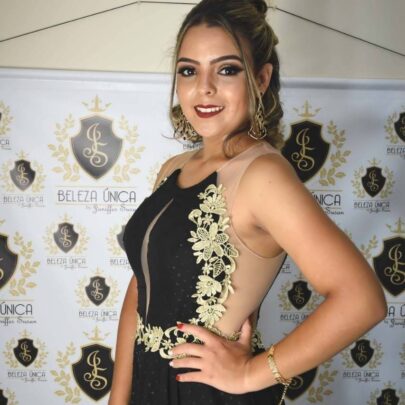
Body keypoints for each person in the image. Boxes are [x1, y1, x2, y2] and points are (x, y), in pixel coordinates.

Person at [108, 0, 387, 404]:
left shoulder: (262, 175)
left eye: (226, 69)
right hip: (148, 389)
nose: (204, 87)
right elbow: (141, 286)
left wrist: (249, 373)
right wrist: (119, 397)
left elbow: (362, 299)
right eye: (189, 70)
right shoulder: (173, 168)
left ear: (260, 78)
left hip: (207, 395)